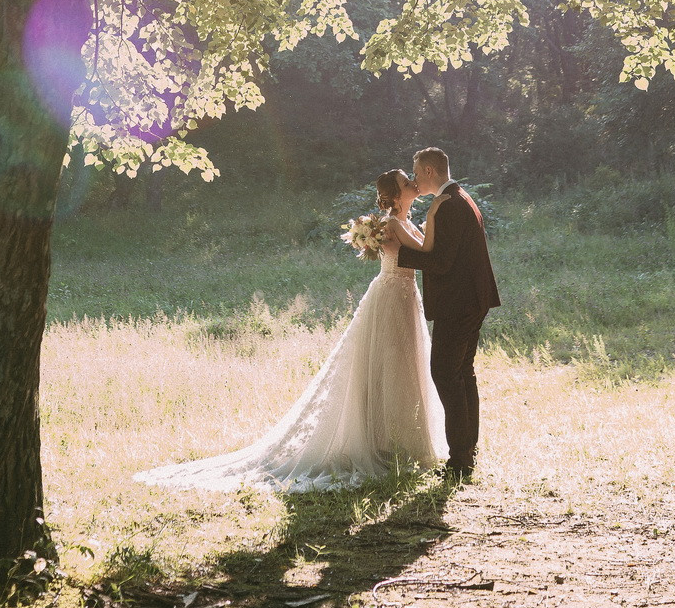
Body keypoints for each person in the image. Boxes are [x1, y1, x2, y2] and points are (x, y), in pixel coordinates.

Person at [130, 169, 446, 492]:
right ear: (395, 196)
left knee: (405, 366)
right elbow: (426, 253)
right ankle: (390, 445)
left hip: (405, 296)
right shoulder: (392, 224)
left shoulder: (402, 223)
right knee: (391, 366)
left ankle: (401, 442)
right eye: (407, 183)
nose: (412, 185)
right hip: (391, 295)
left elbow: (423, 249)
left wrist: (428, 222)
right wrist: (434, 217)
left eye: (411, 181)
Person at [383, 147, 499, 481]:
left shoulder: (449, 206)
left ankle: (460, 460)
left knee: (446, 374)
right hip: (470, 300)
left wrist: (399, 253)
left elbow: (442, 262)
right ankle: (467, 451)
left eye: (417, 173)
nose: (415, 180)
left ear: (431, 171)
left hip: (458, 304)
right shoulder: (458, 198)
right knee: (462, 373)